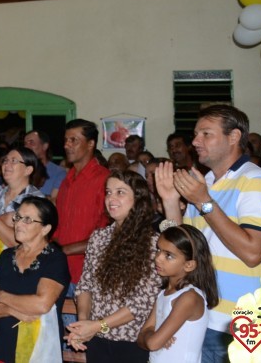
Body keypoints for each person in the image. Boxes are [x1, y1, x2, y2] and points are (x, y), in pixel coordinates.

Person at [154, 104, 261, 362]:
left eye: (206, 134)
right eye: (195, 134)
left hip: (247, 323)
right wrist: (170, 201)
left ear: (234, 137)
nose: (195, 141)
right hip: (208, 316)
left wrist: (204, 203)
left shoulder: (255, 181)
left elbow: (252, 253)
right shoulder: (207, 184)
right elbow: (185, 245)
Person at [66, 170, 162, 361]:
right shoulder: (99, 238)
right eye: (108, 192)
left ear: (138, 199)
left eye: (120, 192)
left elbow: (142, 303)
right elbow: (85, 286)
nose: (111, 198)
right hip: (97, 338)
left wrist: (95, 326)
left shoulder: (154, 242)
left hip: (131, 341)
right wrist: (83, 325)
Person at [0, 197, 70, 363]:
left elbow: (41, 304)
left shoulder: (55, 259)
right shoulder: (6, 256)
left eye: (28, 220)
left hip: (40, 349)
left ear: (45, 229)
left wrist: (2, 297)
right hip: (4, 345)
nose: (18, 224)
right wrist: (13, 311)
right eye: (18, 217)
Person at [138, 224, 218, 363]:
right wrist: (152, 334)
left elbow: (152, 344)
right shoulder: (164, 293)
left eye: (168, 255)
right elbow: (141, 338)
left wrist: (152, 335)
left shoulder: (189, 298)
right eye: (158, 250)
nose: (158, 258)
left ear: (189, 265)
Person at [55, 119, 110, 286]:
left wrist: (65, 250)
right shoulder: (66, 181)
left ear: (90, 144)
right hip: (60, 271)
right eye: (66, 140)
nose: (66, 145)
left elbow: (110, 234)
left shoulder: (105, 179)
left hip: (88, 274)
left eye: (74, 140)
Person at [24, 130, 66, 199]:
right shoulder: (21, 170)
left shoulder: (59, 173)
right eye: (25, 143)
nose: (26, 147)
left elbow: (54, 201)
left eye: (31, 143)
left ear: (44, 146)